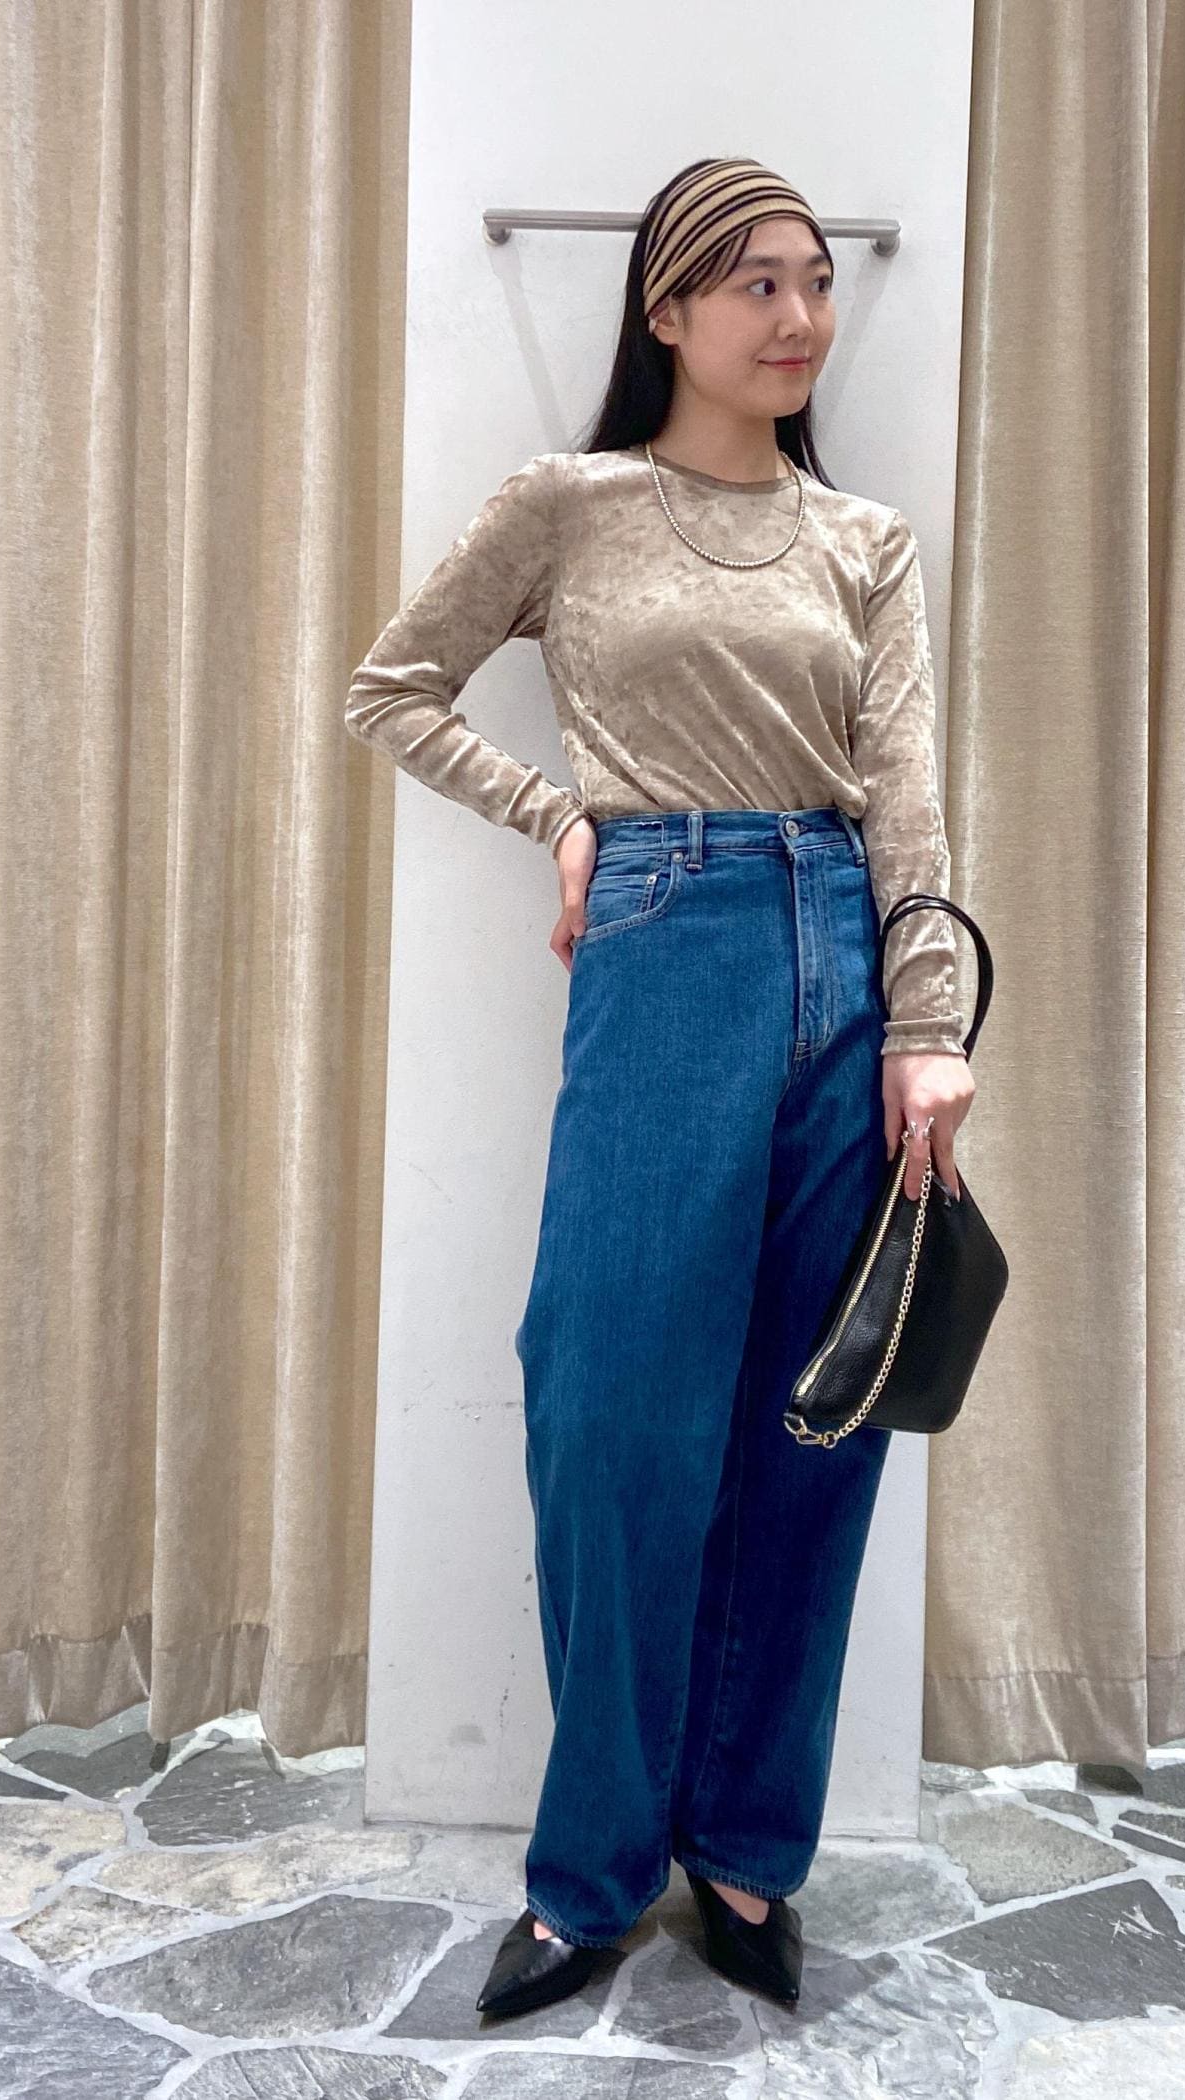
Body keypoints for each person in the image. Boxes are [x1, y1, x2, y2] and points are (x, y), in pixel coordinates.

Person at [345, 155, 976, 2020]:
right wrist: (560, 818)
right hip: (661, 938)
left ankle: (748, 1852)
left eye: (815, 281)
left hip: (842, 956)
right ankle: (597, 1865)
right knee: (610, 1416)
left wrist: (931, 1021)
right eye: (757, 283)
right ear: (670, 309)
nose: (800, 316)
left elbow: (906, 793)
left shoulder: (862, 541)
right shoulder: (571, 503)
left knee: (812, 1433)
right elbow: (392, 688)